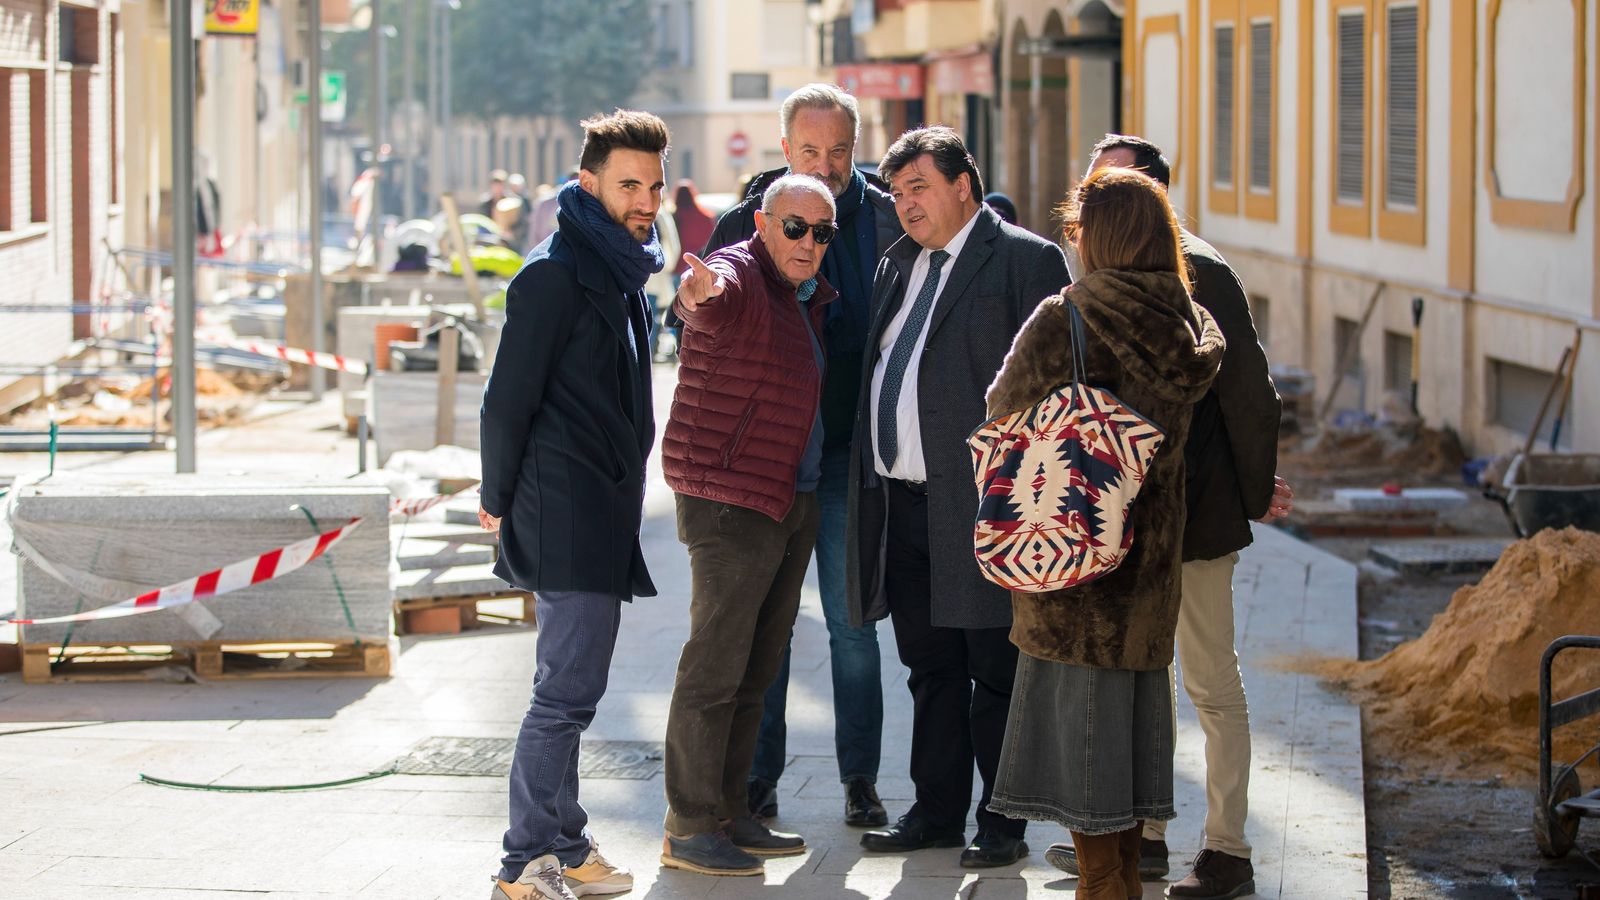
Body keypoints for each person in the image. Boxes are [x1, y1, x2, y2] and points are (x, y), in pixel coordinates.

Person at [1040, 134, 1294, 900]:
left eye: (1113, 189)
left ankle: (1227, 849)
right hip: (1118, 525)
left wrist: (1252, 492)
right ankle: (1142, 835)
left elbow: (1250, 395)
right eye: (1092, 188)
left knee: (1210, 680)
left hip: (1197, 516)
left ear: (1154, 196)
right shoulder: (1090, 279)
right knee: (1140, 680)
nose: (1095, 204)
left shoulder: (1202, 271)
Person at [981, 166, 1225, 900]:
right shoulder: (1191, 322)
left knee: (1083, 746)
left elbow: (1001, 409)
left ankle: (1102, 888)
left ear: (1101, 238)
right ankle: (1117, 882)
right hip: (1149, 570)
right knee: (1126, 743)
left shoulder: (1071, 316)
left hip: (1071, 560)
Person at [848, 125, 1070, 868]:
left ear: (963, 186)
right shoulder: (897, 263)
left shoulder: (1025, 260)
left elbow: (1057, 388)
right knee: (929, 667)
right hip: (903, 503)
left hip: (987, 507)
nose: (906, 204)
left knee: (994, 671)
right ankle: (937, 812)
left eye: (921, 187)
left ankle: (1002, 823)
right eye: (899, 191)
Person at [478, 110, 671, 900]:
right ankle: (524, 862)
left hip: (602, 508)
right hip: (564, 510)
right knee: (563, 696)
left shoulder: (622, 271)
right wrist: (496, 500)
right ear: (587, 182)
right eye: (629, 184)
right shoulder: (554, 274)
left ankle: (567, 841)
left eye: (655, 186)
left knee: (574, 690)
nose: (646, 201)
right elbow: (504, 403)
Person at [701, 82, 902, 829]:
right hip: (768, 463)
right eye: (810, 151)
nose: (826, 165)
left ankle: (860, 781)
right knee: (770, 629)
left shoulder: (885, 220)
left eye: (840, 151)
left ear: (858, 148)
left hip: (851, 457)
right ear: (784, 149)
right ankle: (758, 783)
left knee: (853, 626)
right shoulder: (740, 224)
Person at [658, 174, 839, 876]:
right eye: (795, 227)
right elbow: (709, 299)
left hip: (788, 497)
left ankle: (730, 812)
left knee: (755, 668)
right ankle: (690, 824)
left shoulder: (803, 298)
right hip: (733, 499)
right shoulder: (738, 272)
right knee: (716, 664)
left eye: (822, 233)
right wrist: (695, 296)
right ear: (763, 225)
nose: (808, 243)